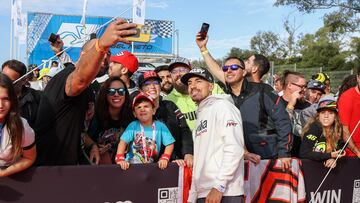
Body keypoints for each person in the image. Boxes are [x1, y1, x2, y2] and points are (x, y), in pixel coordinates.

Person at [34, 18, 137, 166]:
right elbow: (79, 79)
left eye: (108, 55)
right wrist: (101, 45)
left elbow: (81, 129)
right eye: (100, 54)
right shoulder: (69, 77)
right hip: (50, 167)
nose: (105, 57)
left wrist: (92, 145)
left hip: (72, 166)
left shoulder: (90, 87)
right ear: (83, 55)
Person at [196, 33, 292, 169]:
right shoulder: (226, 94)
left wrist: (284, 152)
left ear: (243, 72)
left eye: (234, 68)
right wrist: (203, 49)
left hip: (267, 158)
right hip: (237, 158)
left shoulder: (263, 90)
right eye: (226, 68)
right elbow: (216, 70)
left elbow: (283, 122)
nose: (228, 70)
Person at [181, 68, 245, 203]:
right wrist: (193, 195)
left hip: (225, 192)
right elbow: (200, 159)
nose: (193, 86)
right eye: (189, 83)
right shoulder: (201, 113)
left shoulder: (223, 106)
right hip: (204, 192)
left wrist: (219, 186)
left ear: (211, 86)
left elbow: (234, 148)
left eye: (198, 81)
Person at [138, 70, 193, 166]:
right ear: (140, 90)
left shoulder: (170, 106)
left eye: (156, 83)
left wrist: (188, 153)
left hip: (174, 163)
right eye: (147, 84)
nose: (152, 87)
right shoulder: (136, 111)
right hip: (146, 165)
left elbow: (184, 130)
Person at [115, 92, 175, 170]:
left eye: (146, 106)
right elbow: (123, 142)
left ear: (153, 111)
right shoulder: (133, 126)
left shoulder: (160, 126)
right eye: (138, 107)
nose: (142, 109)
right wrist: (120, 158)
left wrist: (165, 157)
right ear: (134, 114)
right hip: (131, 166)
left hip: (152, 166)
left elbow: (170, 144)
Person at [85, 77, 134, 164]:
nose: (116, 94)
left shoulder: (131, 116)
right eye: (111, 91)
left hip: (125, 165)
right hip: (96, 165)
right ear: (105, 94)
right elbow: (82, 134)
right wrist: (93, 146)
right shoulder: (95, 114)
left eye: (121, 91)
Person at [165, 58, 224, 130]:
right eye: (174, 71)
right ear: (170, 75)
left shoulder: (211, 87)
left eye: (183, 70)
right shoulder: (167, 100)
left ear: (190, 72)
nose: (178, 74)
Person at [0, 74, 36, 177]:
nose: (1, 105)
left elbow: (29, 158)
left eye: (5, 99)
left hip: (9, 180)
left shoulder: (22, 126)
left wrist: (4, 173)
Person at [299, 96, 345, 168]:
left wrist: (333, 159)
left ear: (335, 116)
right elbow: (304, 153)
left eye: (330, 113)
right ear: (318, 115)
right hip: (309, 169)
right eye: (323, 112)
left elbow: (341, 147)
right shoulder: (314, 128)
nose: (326, 116)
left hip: (326, 171)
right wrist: (329, 155)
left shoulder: (338, 129)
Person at [1, 60, 42, 129]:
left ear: (23, 80)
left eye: (10, 82)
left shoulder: (37, 98)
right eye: (3, 79)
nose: (5, 84)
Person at [338, 67, 360, 158]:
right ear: (358, 78)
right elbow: (345, 131)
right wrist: (357, 152)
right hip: (353, 153)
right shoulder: (347, 98)